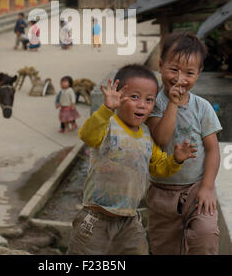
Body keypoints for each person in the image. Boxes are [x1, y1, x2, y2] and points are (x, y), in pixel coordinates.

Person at [67, 64, 197, 255]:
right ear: (118, 97)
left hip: (129, 220)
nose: (142, 105)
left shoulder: (146, 135)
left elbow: (158, 168)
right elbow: (87, 135)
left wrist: (176, 160)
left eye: (149, 99)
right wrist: (105, 109)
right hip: (96, 217)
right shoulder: (108, 124)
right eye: (134, 97)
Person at [145, 32, 223, 255]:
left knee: (205, 236)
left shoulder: (202, 107)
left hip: (197, 188)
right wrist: (173, 103)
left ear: (198, 74)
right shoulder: (152, 103)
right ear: (160, 65)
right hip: (162, 192)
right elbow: (162, 138)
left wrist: (208, 187)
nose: (180, 78)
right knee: (165, 247)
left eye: (189, 73)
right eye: (174, 69)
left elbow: (213, 149)